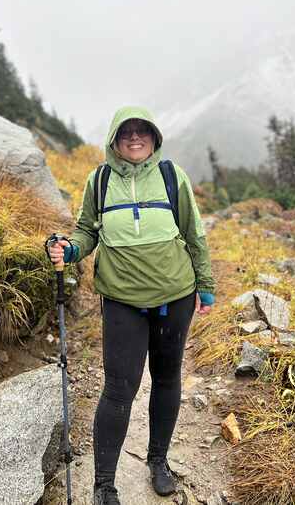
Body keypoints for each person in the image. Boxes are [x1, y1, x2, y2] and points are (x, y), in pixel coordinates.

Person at [48, 105, 215, 505]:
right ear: (114, 140)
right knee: (119, 388)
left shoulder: (173, 177)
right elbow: (87, 230)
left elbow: (195, 233)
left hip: (175, 295)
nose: (135, 138)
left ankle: (158, 460)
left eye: (143, 131)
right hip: (122, 298)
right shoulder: (100, 180)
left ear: (154, 137)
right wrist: (70, 250)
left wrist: (205, 285)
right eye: (127, 132)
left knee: (167, 377)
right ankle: (104, 484)